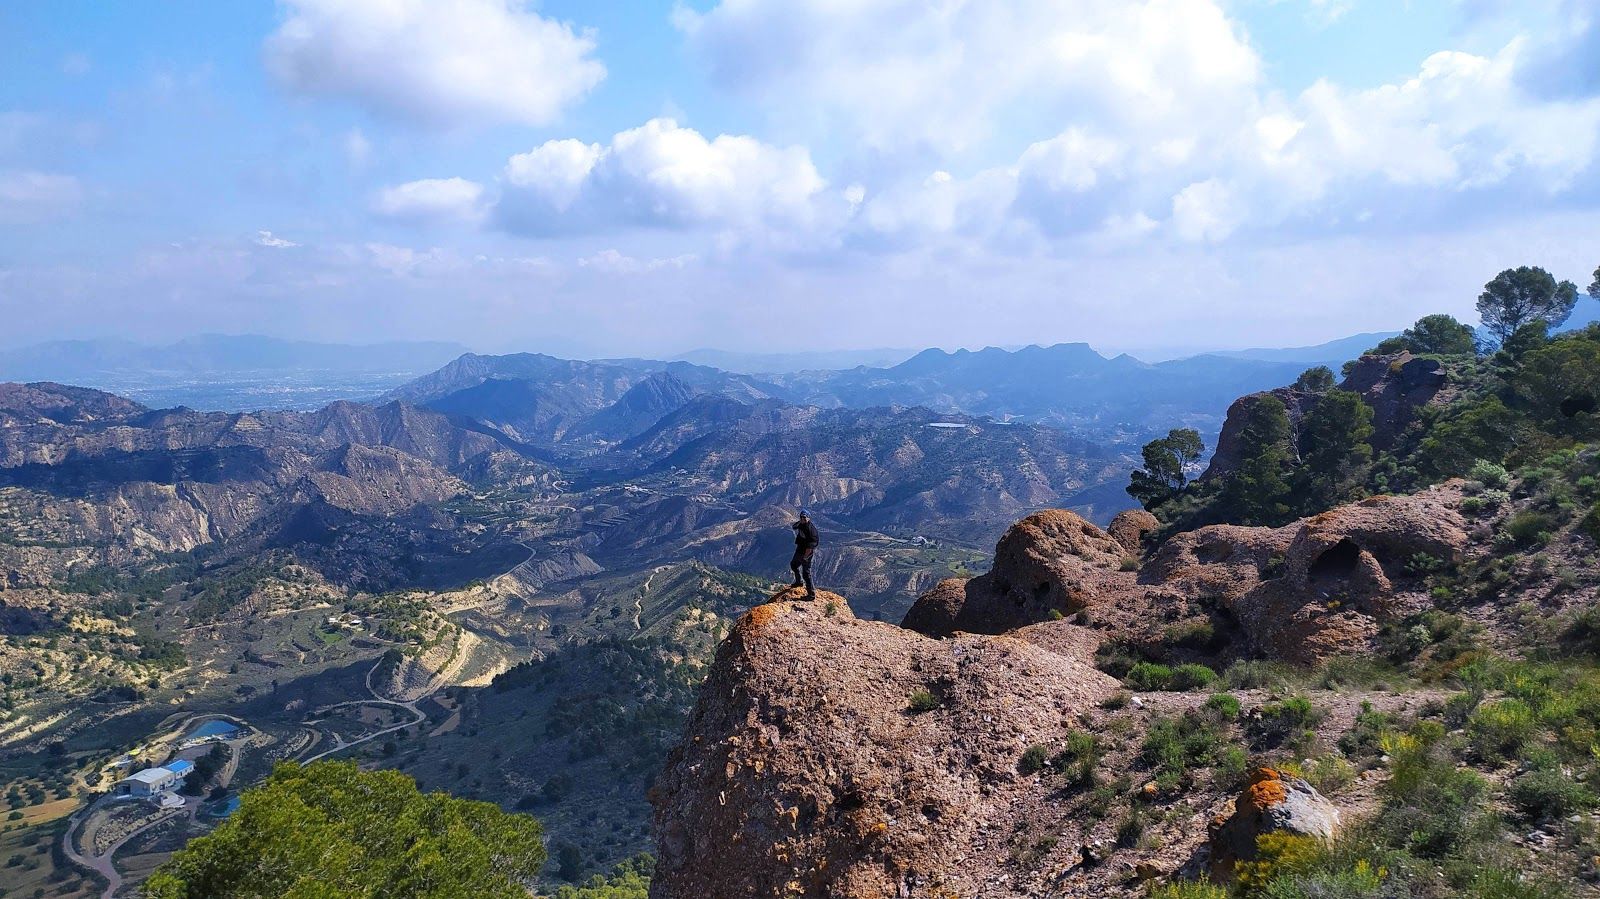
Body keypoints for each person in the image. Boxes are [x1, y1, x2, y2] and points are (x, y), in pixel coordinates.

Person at [789, 509, 819, 598]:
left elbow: (810, 547)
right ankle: (799, 582)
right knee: (793, 565)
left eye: (804, 517)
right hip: (800, 549)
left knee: (806, 573)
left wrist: (805, 557)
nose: (802, 519)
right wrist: (800, 522)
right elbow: (794, 527)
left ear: (808, 518)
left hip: (807, 553)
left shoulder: (811, 530)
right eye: (801, 517)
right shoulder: (801, 524)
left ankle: (811, 594)